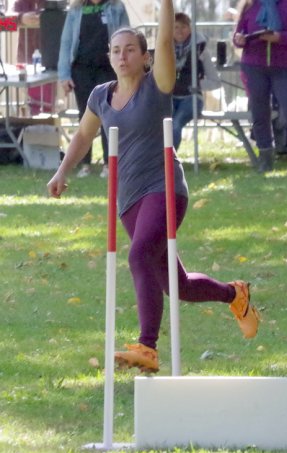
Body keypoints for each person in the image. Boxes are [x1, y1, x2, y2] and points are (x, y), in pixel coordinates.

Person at [47, 0, 261, 373]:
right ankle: (234, 294)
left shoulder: (157, 85)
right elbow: (83, 135)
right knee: (177, 286)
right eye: (116, 50)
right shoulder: (100, 94)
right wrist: (62, 170)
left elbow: (164, 41)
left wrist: (165, 4)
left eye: (130, 49)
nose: (122, 56)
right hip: (128, 199)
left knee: (138, 255)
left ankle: (147, 347)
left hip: (164, 188)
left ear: (145, 58)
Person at [233, 0, 287, 172]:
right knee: (259, 112)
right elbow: (238, 33)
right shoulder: (249, 5)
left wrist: (280, 37)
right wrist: (239, 39)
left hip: (285, 65)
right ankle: (265, 159)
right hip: (254, 65)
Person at [57, 0, 130, 179]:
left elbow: (128, 36)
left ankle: (109, 163)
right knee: (85, 116)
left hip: (108, 70)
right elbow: (66, 42)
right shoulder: (75, 10)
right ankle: (85, 164)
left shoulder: (117, 7)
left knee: (109, 116)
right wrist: (64, 74)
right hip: (81, 70)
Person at [172, 12, 221, 151]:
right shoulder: (164, 50)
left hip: (191, 98)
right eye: (175, 27)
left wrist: (196, 85)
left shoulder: (201, 50)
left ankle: (169, 162)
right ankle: (157, 161)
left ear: (190, 28)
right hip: (169, 97)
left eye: (183, 27)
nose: (179, 31)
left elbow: (215, 81)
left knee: (176, 124)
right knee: (163, 126)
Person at [10, 0, 56, 115]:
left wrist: (46, 19)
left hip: (48, 60)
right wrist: (21, 18)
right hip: (26, 61)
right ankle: (30, 127)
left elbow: (65, 17)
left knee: (47, 102)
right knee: (31, 101)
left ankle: (47, 127)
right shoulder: (20, 3)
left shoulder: (52, 3)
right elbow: (4, 22)